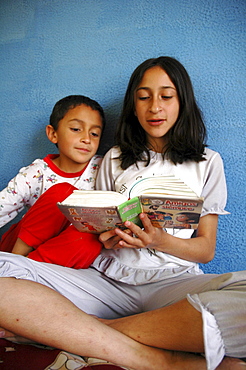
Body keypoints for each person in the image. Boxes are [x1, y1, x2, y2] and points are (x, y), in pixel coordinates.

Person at [0, 57, 245, 370]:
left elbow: (205, 249)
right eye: (144, 97)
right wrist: (111, 237)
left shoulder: (208, 162)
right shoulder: (115, 159)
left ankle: (81, 331)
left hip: (171, 284)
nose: (154, 107)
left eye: (166, 96)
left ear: (182, 101)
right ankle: (159, 356)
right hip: (106, 280)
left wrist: (156, 240)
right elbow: (99, 230)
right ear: (134, 104)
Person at [0, 95, 105, 267]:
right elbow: (3, 206)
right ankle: (11, 266)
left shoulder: (103, 168)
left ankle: (24, 272)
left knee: (90, 239)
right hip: (17, 249)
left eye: (94, 133)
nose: (87, 139)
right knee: (63, 193)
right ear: (53, 134)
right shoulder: (37, 172)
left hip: (54, 260)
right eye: (76, 129)